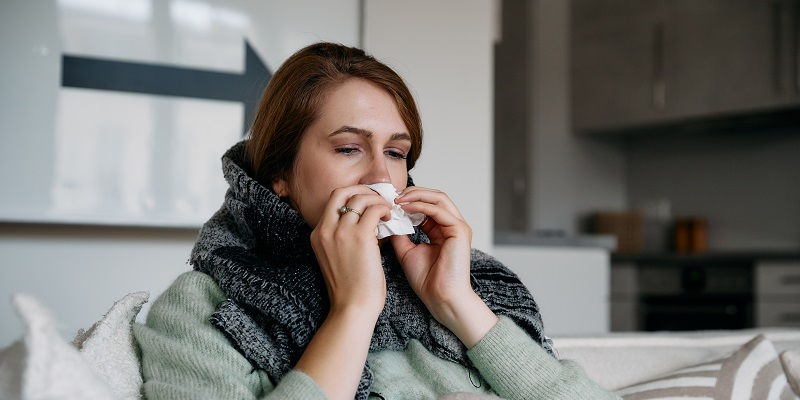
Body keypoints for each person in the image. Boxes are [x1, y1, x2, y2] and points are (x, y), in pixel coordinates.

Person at [133, 42, 620, 400]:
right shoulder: (203, 308)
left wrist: (457, 302)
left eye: (396, 152)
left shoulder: (468, 282)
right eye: (348, 148)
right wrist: (353, 310)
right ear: (279, 173)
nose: (380, 177)